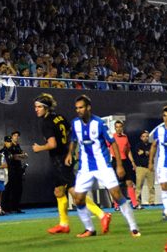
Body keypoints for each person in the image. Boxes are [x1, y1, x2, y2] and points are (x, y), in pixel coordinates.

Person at [32, 93, 111, 234]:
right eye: (35, 107)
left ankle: (102, 215)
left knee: (74, 192)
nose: (36, 110)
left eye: (39, 107)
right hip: (64, 157)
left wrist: (39, 148)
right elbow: (70, 133)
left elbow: (52, 144)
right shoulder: (60, 117)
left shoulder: (46, 123)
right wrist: (71, 151)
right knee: (58, 191)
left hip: (60, 160)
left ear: (46, 108)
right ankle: (63, 224)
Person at [66, 95, 140, 238]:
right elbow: (74, 140)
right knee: (78, 199)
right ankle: (90, 229)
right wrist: (70, 153)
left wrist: (119, 165)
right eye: (76, 108)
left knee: (117, 195)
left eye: (81, 107)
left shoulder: (99, 123)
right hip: (85, 167)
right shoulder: (75, 123)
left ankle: (133, 227)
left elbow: (112, 143)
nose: (78, 110)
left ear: (88, 107)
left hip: (103, 165)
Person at [110, 120, 140, 210]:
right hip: (116, 161)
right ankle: (116, 205)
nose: (119, 129)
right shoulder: (112, 137)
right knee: (116, 185)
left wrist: (132, 162)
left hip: (125, 161)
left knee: (129, 182)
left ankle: (134, 204)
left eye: (120, 127)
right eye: (117, 127)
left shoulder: (125, 137)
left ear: (122, 127)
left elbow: (128, 150)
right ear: (115, 128)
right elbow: (107, 148)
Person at [149, 106, 167, 220]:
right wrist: (151, 162)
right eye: (164, 116)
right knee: (164, 186)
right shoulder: (159, 130)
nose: (166, 119)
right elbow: (154, 145)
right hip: (163, 164)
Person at [3, 131, 27, 214]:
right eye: (15, 136)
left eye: (17, 136)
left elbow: (24, 155)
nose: (16, 137)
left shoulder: (18, 146)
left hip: (18, 170)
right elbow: (15, 157)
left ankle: (16, 207)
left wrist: (20, 155)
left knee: (19, 189)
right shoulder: (8, 148)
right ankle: (9, 208)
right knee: (10, 189)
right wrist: (20, 156)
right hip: (11, 170)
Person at [134, 130, 155, 207]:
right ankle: (138, 202)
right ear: (141, 137)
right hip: (141, 168)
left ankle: (151, 201)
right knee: (139, 186)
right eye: (143, 136)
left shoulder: (151, 145)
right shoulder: (138, 145)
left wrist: (147, 152)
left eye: (147, 136)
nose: (145, 138)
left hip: (150, 167)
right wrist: (147, 152)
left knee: (151, 186)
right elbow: (140, 152)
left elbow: (153, 153)